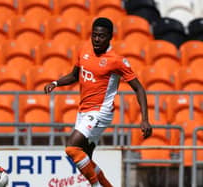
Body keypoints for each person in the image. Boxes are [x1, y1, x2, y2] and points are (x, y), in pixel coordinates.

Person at [44, 17, 152, 187]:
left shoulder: (116, 60)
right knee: (85, 158)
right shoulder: (84, 51)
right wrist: (55, 83)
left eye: (101, 36)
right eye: (94, 35)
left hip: (100, 112)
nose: (96, 39)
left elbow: (139, 88)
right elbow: (74, 75)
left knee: (71, 148)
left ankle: (96, 185)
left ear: (110, 37)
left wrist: (145, 119)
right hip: (83, 111)